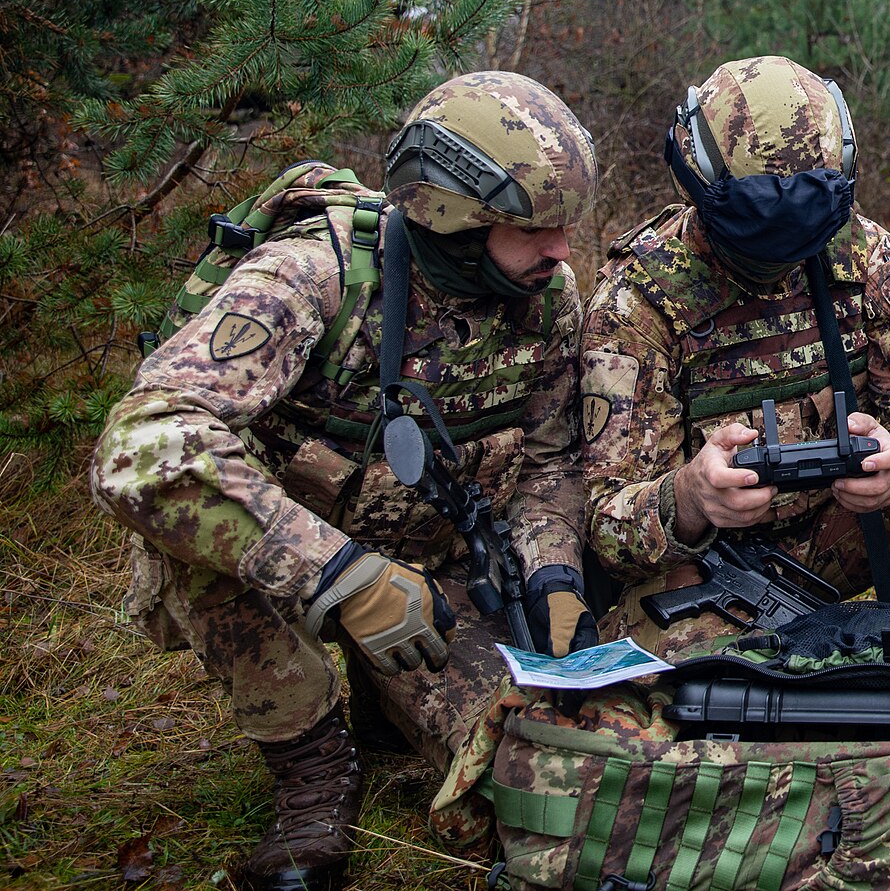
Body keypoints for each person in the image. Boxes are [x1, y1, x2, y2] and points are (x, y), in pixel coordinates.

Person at [91, 72, 598, 891]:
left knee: (533, 762)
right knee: (194, 531)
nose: (563, 250)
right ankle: (312, 760)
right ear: (452, 214)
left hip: (432, 577)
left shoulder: (546, 298)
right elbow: (141, 445)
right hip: (288, 572)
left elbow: (550, 464)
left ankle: (383, 689)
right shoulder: (313, 275)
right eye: (535, 228)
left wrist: (554, 578)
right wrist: (342, 576)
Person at [582, 55, 890, 656]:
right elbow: (606, 525)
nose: (783, 258)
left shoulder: (863, 254)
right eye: (761, 227)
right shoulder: (638, 302)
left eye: (804, 227)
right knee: (727, 691)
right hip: (713, 570)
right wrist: (690, 496)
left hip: (844, 527)